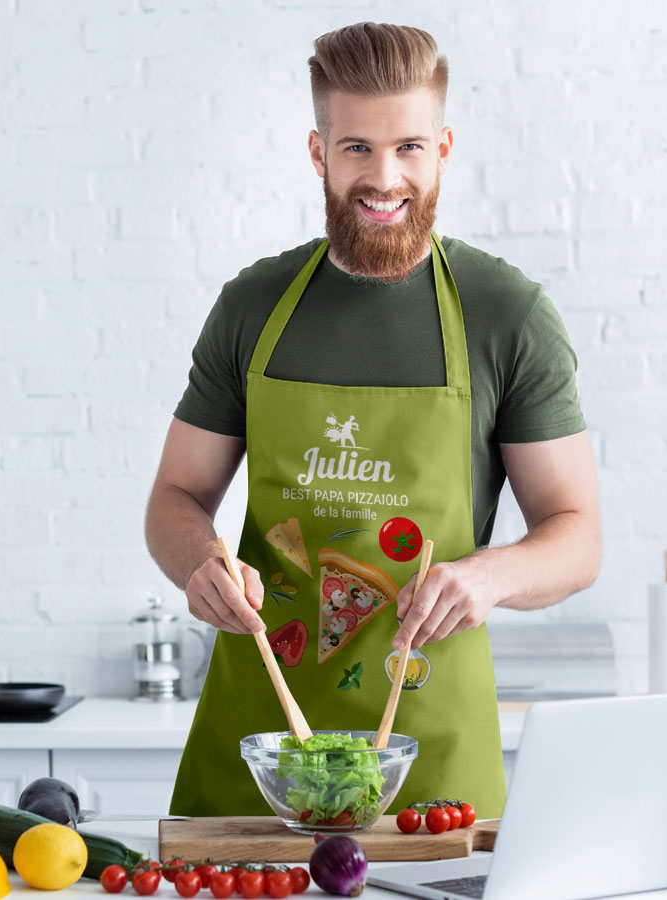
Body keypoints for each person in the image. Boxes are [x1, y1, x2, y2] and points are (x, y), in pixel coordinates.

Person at [146, 22, 601, 820]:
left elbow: (578, 535)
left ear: (444, 149)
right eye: (356, 148)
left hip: (431, 763)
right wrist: (197, 565)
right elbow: (175, 499)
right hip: (260, 757)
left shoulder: (508, 316)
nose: (384, 178)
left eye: (409, 149)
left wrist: (487, 576)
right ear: (318, 152)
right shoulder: (255, 307)